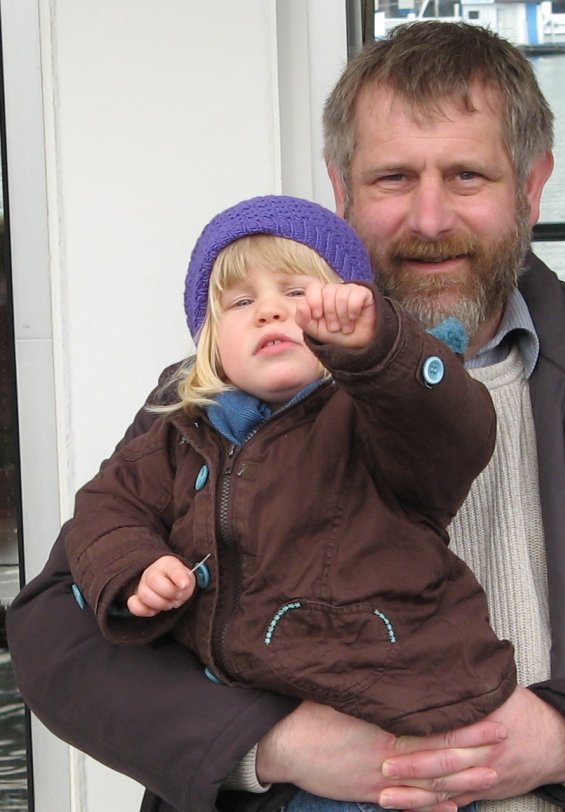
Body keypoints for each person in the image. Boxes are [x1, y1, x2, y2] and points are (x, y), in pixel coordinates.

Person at [7, 18, 565, 812]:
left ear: (530, 183)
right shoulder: (216, 402)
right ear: (339, 187)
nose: (427, 218)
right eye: (390, 179)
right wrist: (268, 744)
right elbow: (56, 629)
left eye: (465, 177)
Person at [64, 194, 512, 761]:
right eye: (241, 300)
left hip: (397, 718)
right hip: (249, 724)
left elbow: (452, 431)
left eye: (297, 292)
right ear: (209, 340)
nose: (270, 311)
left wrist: (379, 348)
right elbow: (105, 507)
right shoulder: (180, 433)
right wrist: (136, 569)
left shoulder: (374, 415)